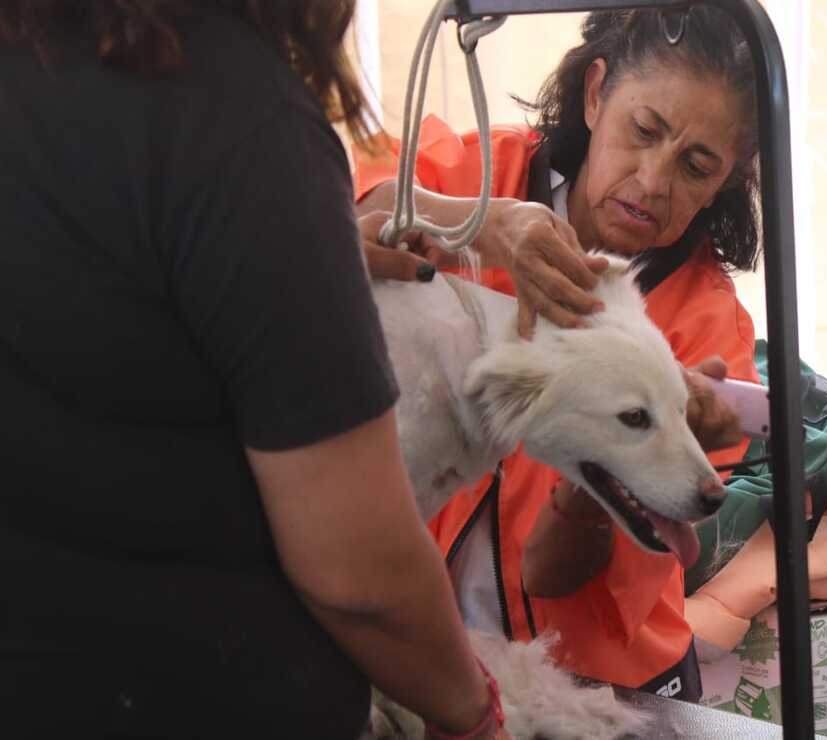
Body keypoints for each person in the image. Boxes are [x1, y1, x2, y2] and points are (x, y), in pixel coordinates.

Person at [0, 3, 507, 738]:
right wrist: (472, 711)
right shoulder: (228, 113)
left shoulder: (30, 60)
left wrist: (292, 257)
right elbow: (359, 573)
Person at [354, 8, 761, 701]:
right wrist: (483, 224)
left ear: (724, 180)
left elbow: (550, 574)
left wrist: (619, 461)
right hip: (409, 646)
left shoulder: (705, 332)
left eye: (696, 166)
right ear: (596, 92)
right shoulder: (481, 172)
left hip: (591, 685)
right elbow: (344, 221)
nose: (654, 181)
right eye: (643, 132)